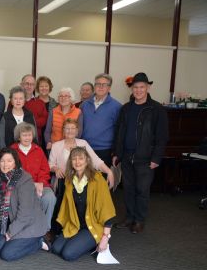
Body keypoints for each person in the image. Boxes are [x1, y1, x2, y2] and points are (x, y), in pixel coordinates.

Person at [113, 72, 168, 234]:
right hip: (127, 156)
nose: (138, 90)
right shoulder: (126, 108)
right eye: (135, 87)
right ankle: (129, 217)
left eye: (141, 87)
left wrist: (156, 157)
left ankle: (139, 220)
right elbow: (119, 132)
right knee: (128, 189)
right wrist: (117, 152)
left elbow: (162, 136)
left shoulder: (156, 109)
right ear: (132, 89)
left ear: (148, 88)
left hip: (146, 158)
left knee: (142, 190)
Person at [49, 118, 114, 236]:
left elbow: (95, 161)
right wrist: (56, 169)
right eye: (67, 128)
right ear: (63, 130)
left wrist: (109, 171)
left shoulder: (83, 144)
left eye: (73, 128)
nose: (70, 131)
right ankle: (61, 229)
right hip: (65, 180)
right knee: (61, 202)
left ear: (77, 130)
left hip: (82, 180)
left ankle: (84, 227)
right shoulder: (56, 146)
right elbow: (50, 164)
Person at [52, 147, 116, 261]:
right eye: (74, 159)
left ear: (87, 160)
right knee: (56, 248)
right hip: (75, 224)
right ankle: (79, 240)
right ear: (70, 162)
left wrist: (105, 237)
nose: (77, 162)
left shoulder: (97, 179)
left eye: (81, 158)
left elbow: (106, 209)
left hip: (91, 226)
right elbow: (67, 207)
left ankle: (93, 242)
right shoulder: (69, 180)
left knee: (68, 254)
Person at [0, 148, 49, 261]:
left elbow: (25, 215)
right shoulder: (1, 178)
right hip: (14, 223)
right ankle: (16, 240)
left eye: (9, 161)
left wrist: (10, 233)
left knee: (7, 254)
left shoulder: (24, 179)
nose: (5, 164)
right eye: (2, 161)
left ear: (15, 162)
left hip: (30, 224)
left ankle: (39, 242)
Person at [11, 122, 56, 239]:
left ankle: (45, 229)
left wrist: (40, 182)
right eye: (24, 135)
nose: (27, 138)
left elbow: (44, 169)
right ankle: (24, 228)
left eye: (29, 135)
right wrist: (30, 184)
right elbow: (11, 171)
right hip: (20, 186)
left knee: (49, 197)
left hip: (40, 184)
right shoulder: (12, 150)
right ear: (19, 137)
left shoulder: (38, 150)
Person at [81, 74, 121, 167]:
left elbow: (119, 132)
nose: (101, 87)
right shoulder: (85, 105)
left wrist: (115, 152)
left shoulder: (117, 107)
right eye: (98, 84)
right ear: (94, 86)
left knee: (101, 180)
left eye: (104, 84)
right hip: (84, 149)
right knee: (83, 180)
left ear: (109, 88)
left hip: (105, 151)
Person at [22, 75, 47, 144]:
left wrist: (26, 121)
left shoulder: (40, 103)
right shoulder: (14, 101)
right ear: (21, 85)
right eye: (27, 83)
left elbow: (44, 120)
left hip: (35, 140)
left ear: (34, 86)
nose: (29, 86)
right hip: (17, 139)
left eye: (32, 84)